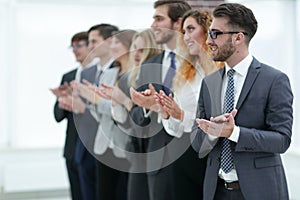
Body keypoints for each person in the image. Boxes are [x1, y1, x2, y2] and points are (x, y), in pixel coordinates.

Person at [191, 3, 293, 200]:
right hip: (216, 191)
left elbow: (282, 140)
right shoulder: (209, 83)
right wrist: (212, 133)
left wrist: (234, 133)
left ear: (238, 37)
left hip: (260, 191)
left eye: (215, 34)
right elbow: (198, 144)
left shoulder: (274, 80)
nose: (209, 41)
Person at [154, 9, 222, 200]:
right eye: (183, 32)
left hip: (213, 156)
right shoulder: (185, 74)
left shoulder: (224, 71)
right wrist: (168, 114)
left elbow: (219, 120)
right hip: (184, 155)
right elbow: (176, 129)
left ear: (208, 31)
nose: (185, 36)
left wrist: (182, 116)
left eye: (191, 29)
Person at [129, 1, 191, 200]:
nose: (153, 25)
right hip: (158, 160)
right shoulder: (150, 64)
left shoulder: (199, 61)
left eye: (159, 19)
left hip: (194, 161)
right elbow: (136, 116)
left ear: (177, 23)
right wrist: (147, 108)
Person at [73, 29, 137, 200]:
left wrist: (96, 101)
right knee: (104, 193)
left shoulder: (135, 76)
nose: (113, 46)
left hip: (125, 145)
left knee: (124, 193)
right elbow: (102, 111)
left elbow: (127, 114)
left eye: (117, 43)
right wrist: (90, 102)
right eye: (112, 42)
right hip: (103, 144)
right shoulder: (109, 74)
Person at [58, 23, 119, 200]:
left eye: (94, 41)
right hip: (85, 143)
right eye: (89, 42)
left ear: (109, 42)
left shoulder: (118, 69)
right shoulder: (88, 72)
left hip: (109, 143)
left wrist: (84, 106)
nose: (90, 46)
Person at [100, 29, 162, 200]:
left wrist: (125, 101)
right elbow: (126, 122)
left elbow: (145, 121)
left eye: (141, 50)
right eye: (134, 49)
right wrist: (116, 101)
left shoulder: (156, 77)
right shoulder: (132, 77)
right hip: (136, 151)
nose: (135, 54)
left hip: (154, 151)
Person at [52, 31, 90, 200]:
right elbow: (58, 116)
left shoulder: (99, 75)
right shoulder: (68, 77)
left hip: (92, 146)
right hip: (73, 146)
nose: (75, 50)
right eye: (72, 46)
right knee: (76, 193)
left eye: (79, 45)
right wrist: (63, 98)